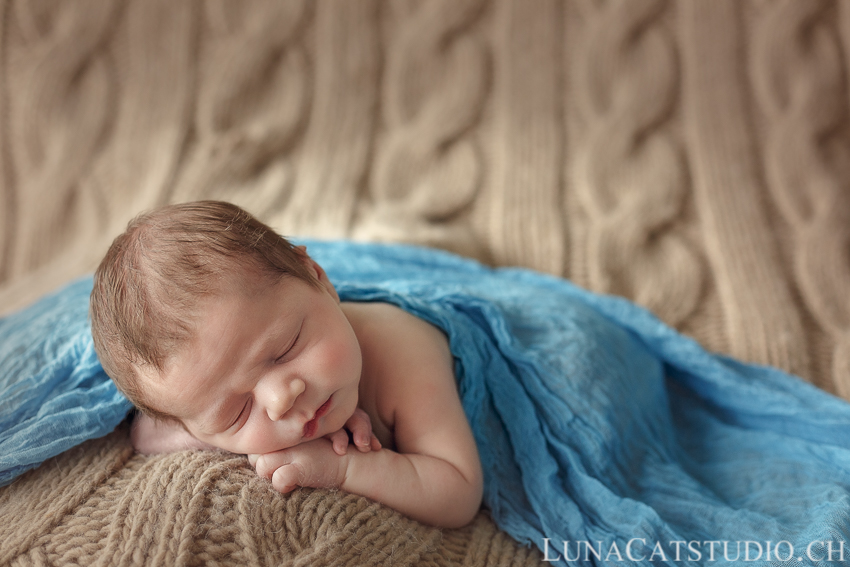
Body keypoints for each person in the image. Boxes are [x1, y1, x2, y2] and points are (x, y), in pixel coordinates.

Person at [89, 200, 483, 529]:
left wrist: (343, 470)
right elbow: (147, 434)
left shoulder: (404, 351)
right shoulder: (193, 400)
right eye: (236, 412)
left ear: (318, 277)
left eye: (285, 348)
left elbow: (458, 491)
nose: (281, 400)